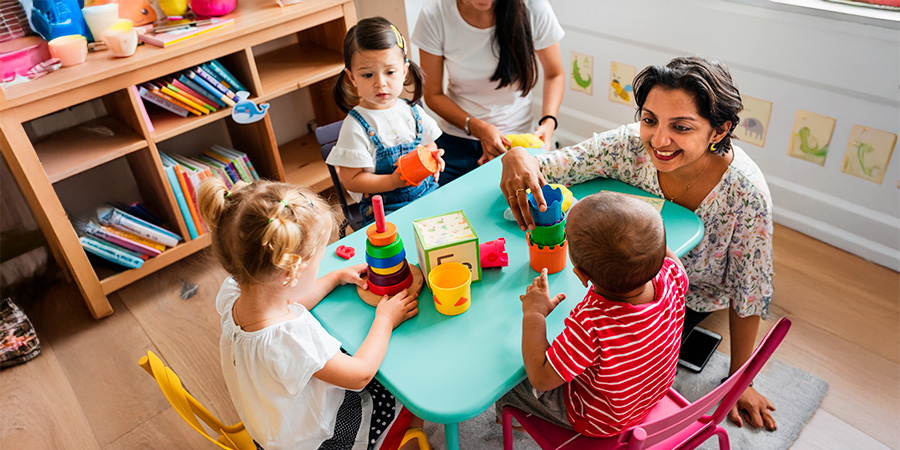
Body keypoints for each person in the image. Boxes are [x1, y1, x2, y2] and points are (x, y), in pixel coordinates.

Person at [500, 56, 778, 431]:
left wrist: (741, 378)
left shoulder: (746, 192)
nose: (659, 140)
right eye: (649, 120)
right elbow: (553, 165)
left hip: (684, 301)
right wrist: (518, 155)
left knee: (536, 341)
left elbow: (749, 291)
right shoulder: (629, 145)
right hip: (636, 286)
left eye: (681, 127)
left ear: (719, 130)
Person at [197, 178, 422, 449]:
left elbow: (290, 301)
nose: (320, 266)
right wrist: (385, 320)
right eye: (318, 261)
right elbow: (360, 374)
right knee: (405, 391)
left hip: (273, 427)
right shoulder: (291, 339)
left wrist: (334, 277)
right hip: (317, 439)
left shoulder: (235, 292)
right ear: (291, 273)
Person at [495, 192, 688, 437]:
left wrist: (534, 313)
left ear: (582, 275)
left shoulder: (591, 324)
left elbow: (540, 378)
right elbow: (666, 256)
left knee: (509, 385)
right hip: (650, 393)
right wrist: (646, 239)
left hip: (601, 420)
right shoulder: (672, 275)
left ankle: (519, 421)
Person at [412, 0, 565, 185]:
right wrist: (478, 128)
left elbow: (554, 74)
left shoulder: (534, 8)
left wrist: (549, 122)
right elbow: (433, 94)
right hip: (457, 139)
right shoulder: (435, 15)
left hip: (517, 141)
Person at [328, 17, 445, 222]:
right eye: (368, 75)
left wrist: (431, 158)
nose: (380, 83)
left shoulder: (412, 111)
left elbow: (429, 144)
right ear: (352, 77)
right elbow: (351, 180)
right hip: (386, 210)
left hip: (427, 194)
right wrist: (392, 181)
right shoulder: (355, 126)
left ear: (404, 71)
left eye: (390, 72)